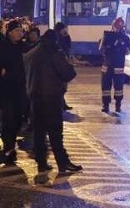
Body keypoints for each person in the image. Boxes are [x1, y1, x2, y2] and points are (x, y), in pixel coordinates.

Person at [22, 29, 82, 174]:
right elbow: (69, 74)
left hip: (35, 99)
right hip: (52, 98)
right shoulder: (55, 54)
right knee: (55, 133)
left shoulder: (30, 54)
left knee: (39, 133)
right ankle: (63, 163)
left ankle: (41, 163)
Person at [0, 20, 29, 164]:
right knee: (8, 119)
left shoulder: (24, 47)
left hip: (20, 88)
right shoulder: (3, 46)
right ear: (10, 32)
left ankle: (10, 143)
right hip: (5, 89)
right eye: (17, 31)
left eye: (21, 31)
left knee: (18, 118)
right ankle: (8, 146)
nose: (20, 33)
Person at [98, 17, 130, 115]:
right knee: (107, 88)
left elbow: (128, 51)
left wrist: (121, 46)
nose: (117, 29)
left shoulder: (124, 38)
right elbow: (101, 48)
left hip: (112, 66)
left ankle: (116, 105)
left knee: (117, 88)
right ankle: (106, 105)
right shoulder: (109, 36)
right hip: (111, 66)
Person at [54, 21, 74, 111]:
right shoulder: (57, 39)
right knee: (62, 86)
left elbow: (68, 47)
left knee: (63, 86)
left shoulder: (65, 37)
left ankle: (62, 103)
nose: (64, 30)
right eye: (63, 29)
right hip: (62, 63)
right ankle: (61, 103)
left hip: (65, 61)